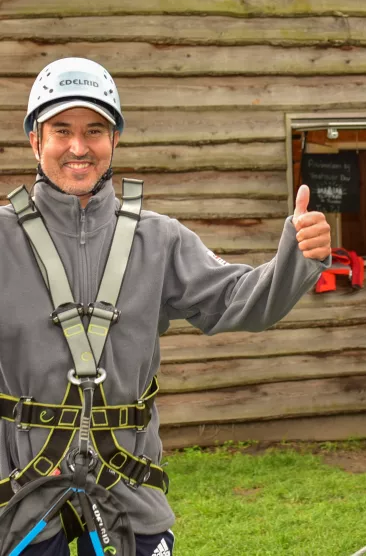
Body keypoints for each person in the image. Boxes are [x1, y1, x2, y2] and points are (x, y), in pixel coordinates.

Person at [0, 58, 331, 556]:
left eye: (95, 130)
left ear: (114, 140)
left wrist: (298, 257)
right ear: (35, 140)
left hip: (128, 485)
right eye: (60, 130)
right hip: (21, 491)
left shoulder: (159, 239)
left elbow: (240, 302)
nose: (77, 146)